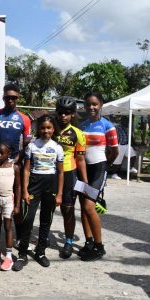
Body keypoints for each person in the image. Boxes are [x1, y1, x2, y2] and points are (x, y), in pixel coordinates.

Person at [13, 114, 64, 271]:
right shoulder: (32, 146)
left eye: (49, 128)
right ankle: (22, 254)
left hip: (51, 185)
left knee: (46, 220)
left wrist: (60, 193)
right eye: (42, 128)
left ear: (53, 129)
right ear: (38, 129)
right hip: (34, 185)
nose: (45, 130)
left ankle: (40, 252)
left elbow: (61, 172)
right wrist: (25, 192)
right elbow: (26, 170)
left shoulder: (58, 147)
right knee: (27, 220)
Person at [0, 83, 31, 252]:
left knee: (15, 201)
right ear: (3, 97)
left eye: (14, 98)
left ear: (18, 98)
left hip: (14, 165)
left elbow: (26, 144)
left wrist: (16, 160)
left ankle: (17, 237)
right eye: (7, 97)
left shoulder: (24, 118)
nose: (10, 100)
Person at [78, 92, 118, 261]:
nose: (91, 107)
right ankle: (89, 242)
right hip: (83, 169)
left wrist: (105, 166)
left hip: (99, 169)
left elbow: (114, 151)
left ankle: (99, 246)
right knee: (82, 204)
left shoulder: (107, 126)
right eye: (88, 104)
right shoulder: (83, 125)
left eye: (94, 104)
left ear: (101, 104)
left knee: (89, 206)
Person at [55, 96, 88, 259]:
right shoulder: (49, 128)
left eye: (67, 113)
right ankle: (43, 238)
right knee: (47, 207)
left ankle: (68, 241)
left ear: (73, 114)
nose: (63, 116)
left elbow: (81, 160)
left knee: (67, 209)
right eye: (60, 112)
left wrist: (85, 183)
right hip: (49, 172)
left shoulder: (79, 134)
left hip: (69, 172)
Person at [0, 142, 21, 270]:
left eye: (2, 153)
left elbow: (17, 187)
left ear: (9, 154)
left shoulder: (14, 167)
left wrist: (17, 205)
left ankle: (8, 256)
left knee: (8, 226)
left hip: (8, 200)